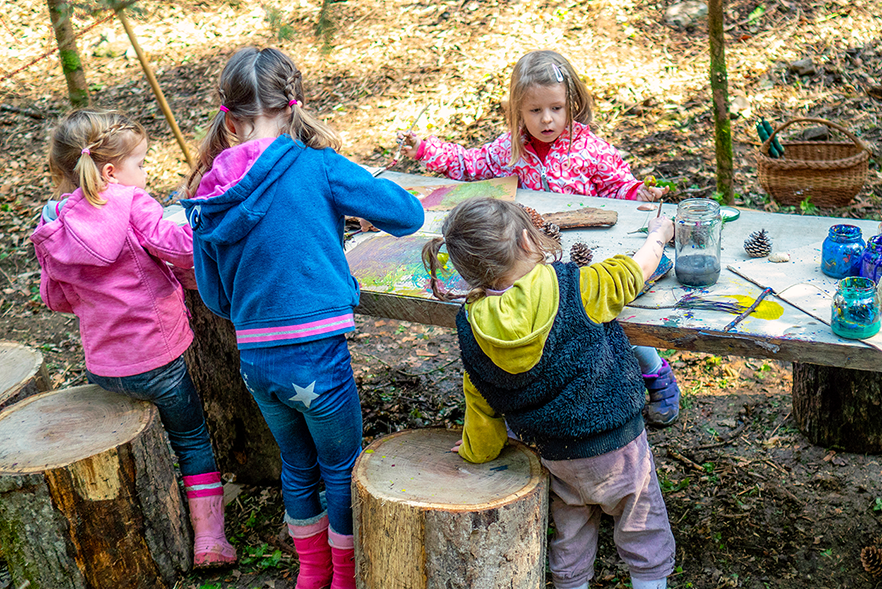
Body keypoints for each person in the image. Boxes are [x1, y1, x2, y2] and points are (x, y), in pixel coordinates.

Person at [179, 47, 424, 589]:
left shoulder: (209, 191)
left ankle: (310, 572)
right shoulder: (318, 165)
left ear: (231, 116)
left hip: (257, 361)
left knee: (298, 466)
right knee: (340, 466)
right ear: (292, 106)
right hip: (317, 355)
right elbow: (409, 215)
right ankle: (345, 575)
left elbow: (217, 298)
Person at [400, 49, 680, 427]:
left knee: (614, 314)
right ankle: (547, 392)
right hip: (530, 263)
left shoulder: (589, 147)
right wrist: (424, 150)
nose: (547, 119)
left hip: (586, 259)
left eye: (556, 108)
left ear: (571, 104)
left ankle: (654, 373)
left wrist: (639, 195)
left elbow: (620, 186)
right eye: (535, 111)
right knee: (551, 334)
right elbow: (469, 165)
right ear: (518, 110)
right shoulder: (508, 150)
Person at [422, 198, 676, 589]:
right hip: (618, 445)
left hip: (554, 454)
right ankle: (649, 580)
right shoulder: (575, 285)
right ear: (528, 241)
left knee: (571, 530)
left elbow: (481, 401)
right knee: (642, 525)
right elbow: (633, 273)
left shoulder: (471, 326)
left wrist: (477, 449)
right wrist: (658, 237)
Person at [31, 109, 237, 569]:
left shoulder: (54, 222)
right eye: (140, 163)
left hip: (104, 366)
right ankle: (210, 540)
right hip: (159, 358)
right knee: (192, 440)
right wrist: (203, 223)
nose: (144, 174)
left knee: (155, 435)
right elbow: (179, 247)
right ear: (110, 171)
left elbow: (57, 299)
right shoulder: (132, 203)